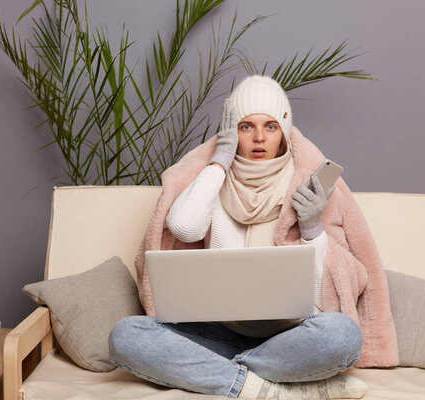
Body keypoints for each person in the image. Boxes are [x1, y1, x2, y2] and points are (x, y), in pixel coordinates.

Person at [109, 75, 397, 399]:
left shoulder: (304, 183)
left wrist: (312, 228)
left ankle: (217, 373)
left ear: (284, 130)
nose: (259, 138)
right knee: (125, 335)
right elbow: (183, 228)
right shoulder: (212, 180)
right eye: (246, 126)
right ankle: (266, 386)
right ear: (232, 132)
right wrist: (220, 160)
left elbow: (327, 294)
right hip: (215, 332)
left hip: (289, 337)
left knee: (343, 337)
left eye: (270, 127)